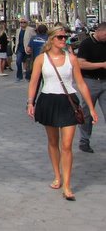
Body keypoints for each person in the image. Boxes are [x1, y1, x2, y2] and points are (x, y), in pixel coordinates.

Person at [27, 26, 98, 201]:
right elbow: (34, 82)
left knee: (66, 145)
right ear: (51, 39)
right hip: (48, 101)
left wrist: (91, 108)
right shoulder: (41, 59)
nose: (63, 39)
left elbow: (81, 83)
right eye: (60, 37)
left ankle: (67, 185)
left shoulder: (71, 58)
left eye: (65, 37)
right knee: (53, 142)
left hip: (68, 102)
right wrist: (30, 102)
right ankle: (57, 176)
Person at [76, 22, 106, 153]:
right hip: (90, 81)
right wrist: (101, 65)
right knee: (87, 112)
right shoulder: (86, 44)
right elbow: (80, 64)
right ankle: (84, 140)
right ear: (99, 31)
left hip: (105, 81)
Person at [14, 17, 35, 82]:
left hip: (27, 49)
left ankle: (28, 77)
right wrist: (15, 48)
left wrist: (31, 47)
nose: (22, 23)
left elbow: (34, 38)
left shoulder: (31, 30)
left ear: (27, 23)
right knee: (18, 62)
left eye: (24, 22)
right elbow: (17, 39)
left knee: (28, 64)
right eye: (21, 22)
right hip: (19, 49)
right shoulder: (18, 30)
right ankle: (19, 76)